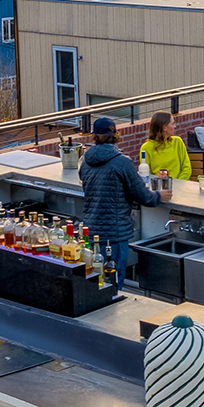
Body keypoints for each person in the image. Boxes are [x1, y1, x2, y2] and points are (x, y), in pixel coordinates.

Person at [80, 117, 172, 293]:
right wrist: (160, 195)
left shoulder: (85, 161)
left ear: (94, 136)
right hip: (115, 233)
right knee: (113, 284)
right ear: (116, 135)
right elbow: (144, 196)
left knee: (93, 281)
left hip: (91, 232)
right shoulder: (123, 163)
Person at [139, 111, 192, 180]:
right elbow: (146, 175)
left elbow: (187, 169)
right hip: (158, 187)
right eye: (173, 124)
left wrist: (176, 184)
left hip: (179, 185)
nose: (175, 126)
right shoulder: (146, 148)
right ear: (164, 128)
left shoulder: (177, 142)